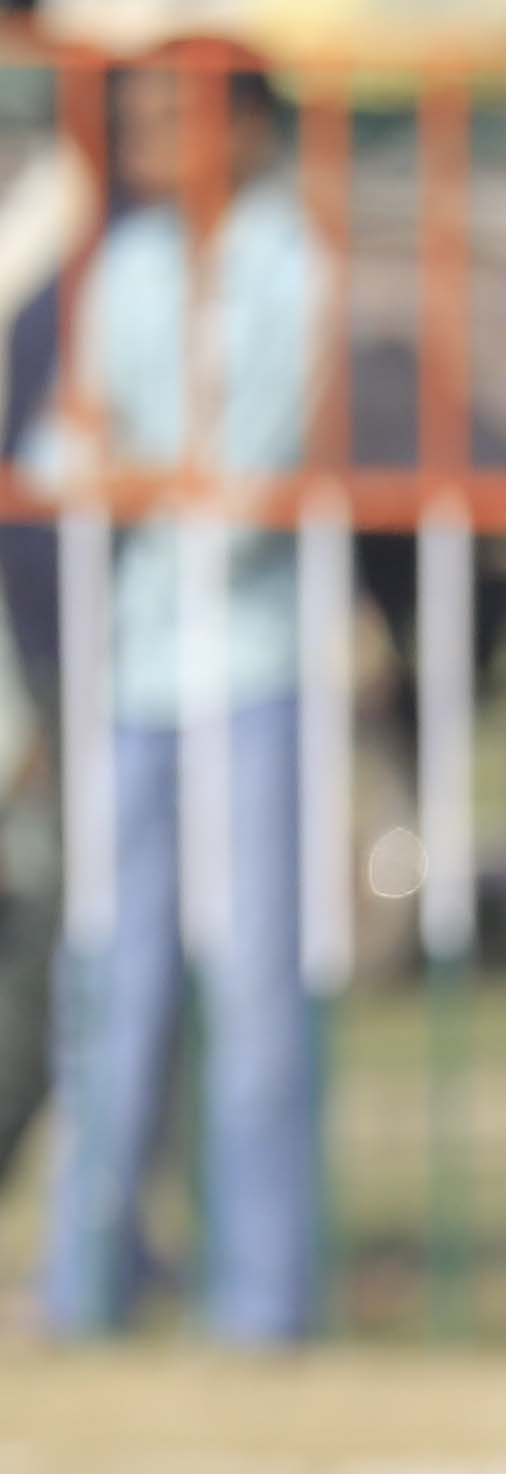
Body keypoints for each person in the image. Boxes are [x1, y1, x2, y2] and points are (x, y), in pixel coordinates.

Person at [30, 45, 320, 1350]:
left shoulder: (293, 268)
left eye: (179, 113)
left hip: (254, 668)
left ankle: (262, 1297)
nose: (151, 135)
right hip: (139, 668)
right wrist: (159, 473)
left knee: (256, 998)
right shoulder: (126, 270)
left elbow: (244, 497)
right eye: (139, 112)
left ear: (248, 127)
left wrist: (135, 472)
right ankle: (84, 1281)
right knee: (111, 979)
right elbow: (58, 459)